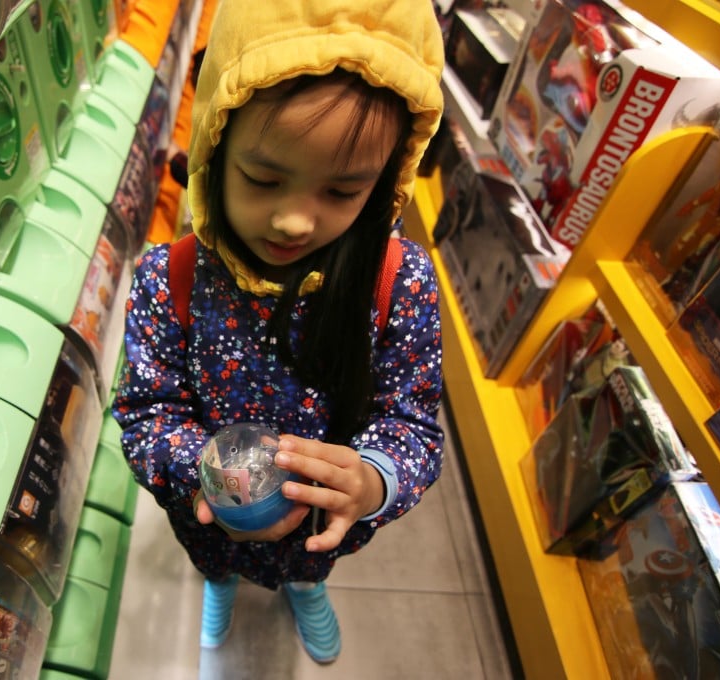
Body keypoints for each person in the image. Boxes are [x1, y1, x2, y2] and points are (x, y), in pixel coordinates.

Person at [112, 0, 446, 664]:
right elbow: (145, 413)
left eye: (342, 191)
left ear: (384, 180)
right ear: (214, 146)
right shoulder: (169, 279)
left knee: (311, 561)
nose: (294, 221)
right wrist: (200, 470)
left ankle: (306, 588)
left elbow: (411, 422)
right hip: (212, 514)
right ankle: (220, 585)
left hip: (319, 521)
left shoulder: (397, 281)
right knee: (216, 557)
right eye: (263, 178)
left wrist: (373, 481)